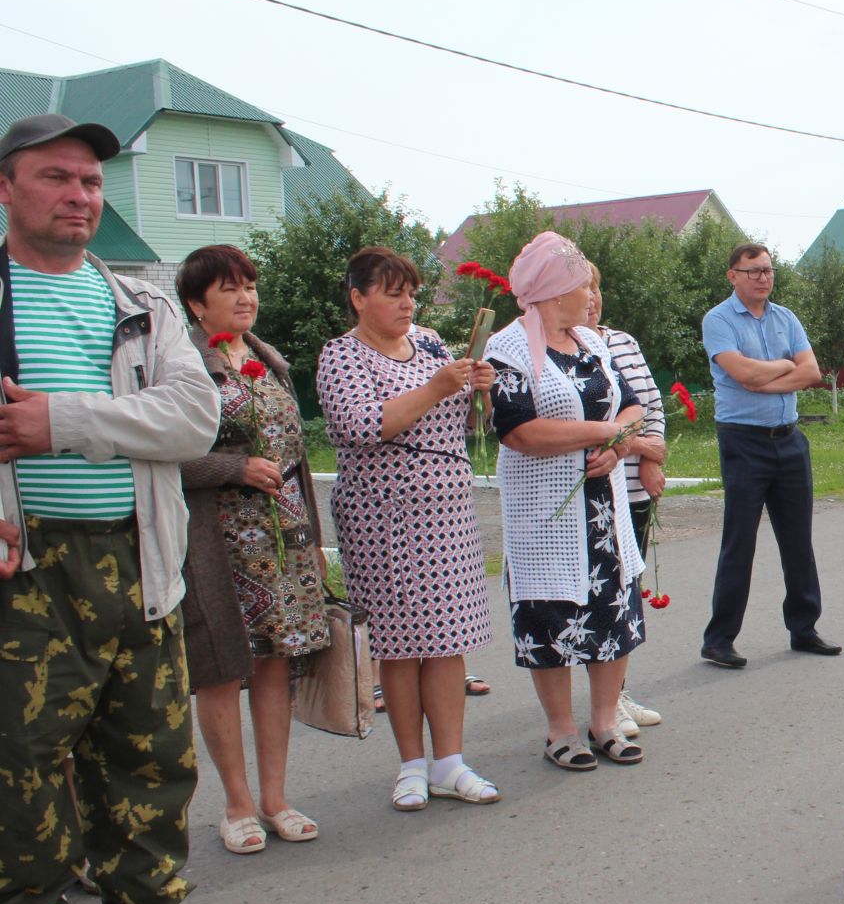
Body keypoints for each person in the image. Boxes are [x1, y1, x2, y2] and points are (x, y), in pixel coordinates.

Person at [0, 113, 237, 904]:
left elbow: (192, 417)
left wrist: (56, 420)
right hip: (26, 569)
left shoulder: (141, 300)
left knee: (148, 754)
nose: (79, 196)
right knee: (21, 769)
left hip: (136, 555)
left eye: (92, 183)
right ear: (8, 189)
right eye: (57, 178)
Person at [316, 246, 499, 811]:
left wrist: (480, 390)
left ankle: (450, 761)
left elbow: (467, 421)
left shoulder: (430, 344)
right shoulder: (342, 355)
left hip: (447, 513)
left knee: (447, 638)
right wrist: (440, 388)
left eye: (411, 293)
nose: (406, 303)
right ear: (358, 298)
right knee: (399, 644)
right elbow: (361, 425)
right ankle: (411, 765)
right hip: (383, 518)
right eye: (392, 293)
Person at [176, 244, 330, 855]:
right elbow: (163, 453)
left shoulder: (269, 360)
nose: (246, 298)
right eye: (229, 289)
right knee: (220, 670)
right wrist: (234, 467)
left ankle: (275, 798)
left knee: (275, 666)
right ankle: (237, 805)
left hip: (283, 541)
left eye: (250, 286)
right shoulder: (182, 366)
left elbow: (294, 458)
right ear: (196, 302)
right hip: (219, 543)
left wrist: (312, 539)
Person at [485, 233, 650, 770]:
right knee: (550, 613)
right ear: (556, 292)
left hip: (604, 510)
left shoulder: (592, 343)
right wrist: (599, 435)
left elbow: (632, 408)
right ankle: (560, 730)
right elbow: (518, 432)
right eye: (582, 285)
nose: (590, 295)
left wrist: (617, 439)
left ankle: (604, 721)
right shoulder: (508, 348)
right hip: (547, 514)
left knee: (612, 609)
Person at [699, 242, 837, 667]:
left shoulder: (786, 318)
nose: (763, 277)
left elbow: (811, 372)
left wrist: (765, 375)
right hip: (743, 440)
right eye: (754, 270)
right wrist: (782, 366)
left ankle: (803, 627)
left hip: (789, 439)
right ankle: (719, 639)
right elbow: (741, 374)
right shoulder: (718, 320)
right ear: (733, 275)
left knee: (798, 539)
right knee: (739, 540)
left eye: (768, 270)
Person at [585, 263, 666, 735]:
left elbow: (650, 405)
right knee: (598, 598)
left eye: (596, 287)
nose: (592, 297)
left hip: (633, 486)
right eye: (582, 289)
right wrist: (637, 446)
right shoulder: (562, 347)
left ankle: (618, 692)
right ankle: (604, 704)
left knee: (625, 597)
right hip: (597, 485)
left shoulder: (623, 342)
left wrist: (650, 458)